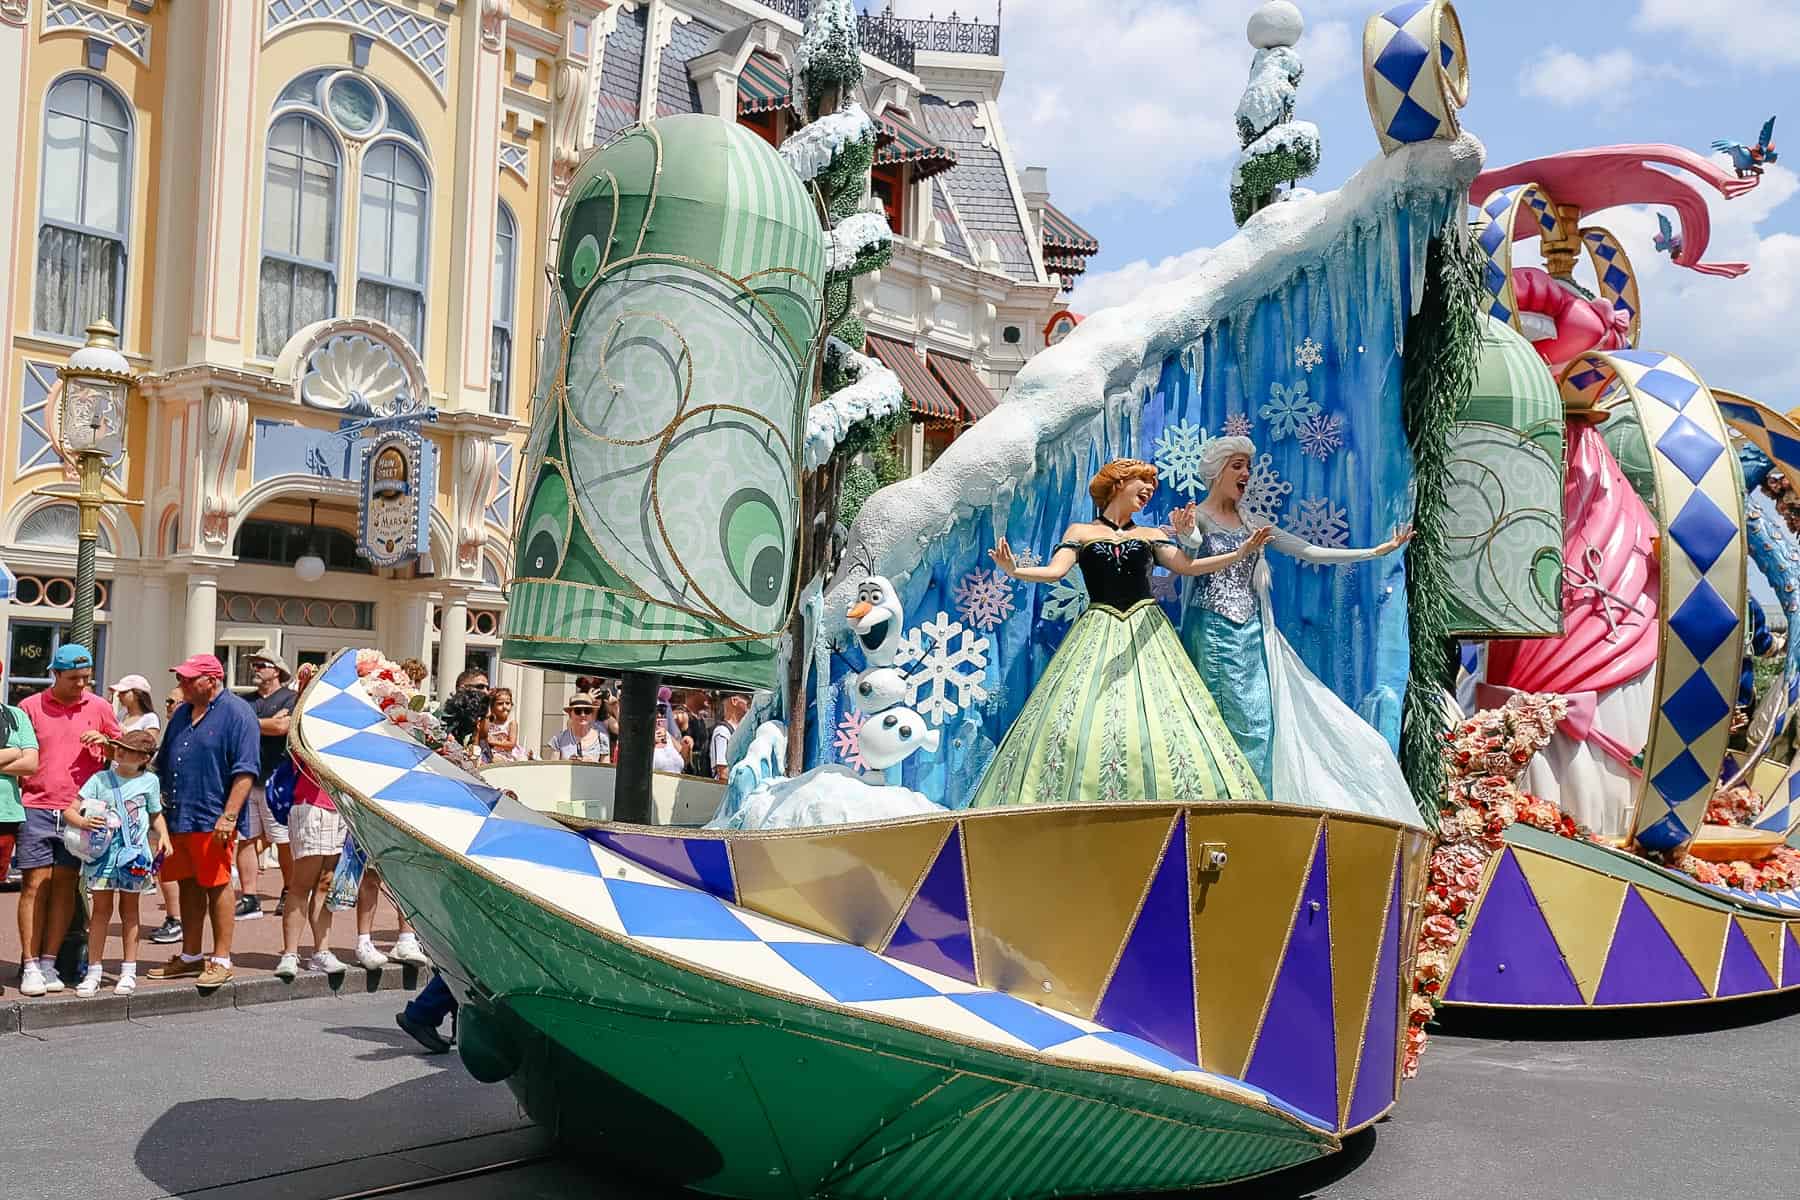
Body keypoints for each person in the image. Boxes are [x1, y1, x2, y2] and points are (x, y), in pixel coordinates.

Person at [973, 460, 1266, 808]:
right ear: (1118, 483)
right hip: (1097, 629)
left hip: (1148, 634)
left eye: (1152, 486)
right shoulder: (1080, 532)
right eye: (1142, 482)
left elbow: (1186, 567)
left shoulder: (1150, 536)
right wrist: (1016, 570)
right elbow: (1055, 572)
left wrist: (1240, 553)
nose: (1149, 490)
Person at [1171, 436, 1415, 820]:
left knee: (1261, 723)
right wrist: (1187, 534)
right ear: (1217, 471)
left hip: (1252, 635)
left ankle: (1256, 806)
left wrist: (1374, 552)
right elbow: (1191, 548)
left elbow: (1309, 551)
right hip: (1213, 630)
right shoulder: (1199, 517)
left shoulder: (1254, 524)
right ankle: (1224, 806)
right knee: (1221, 720)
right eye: (1237, 466)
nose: (1246, 474)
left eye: (1247, 467)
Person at [147, 654, 261, 989]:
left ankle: (222, 959)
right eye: (180, 677)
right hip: (179, 813)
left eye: (188, 678)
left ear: (211, 680)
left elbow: (246, 771)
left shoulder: (238, 713)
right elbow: (163, 761)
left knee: (217, 884)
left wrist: (229, 816)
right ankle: (191, 956)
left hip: (212, 816)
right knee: (187, 884)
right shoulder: (182, 712)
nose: (181, 684)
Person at [17, 643, 118, 997]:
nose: (81, 685)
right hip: (36, 805)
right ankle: (29, 963)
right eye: (74, 678)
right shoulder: (29, 707)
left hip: (81, 809)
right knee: (34, 884)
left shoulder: (100, 707)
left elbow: (126, 755)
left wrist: (106, 743)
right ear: (55, 674)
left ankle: (48, 961)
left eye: (86, 678)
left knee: (64, 885)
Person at [67, 729, 170, 997]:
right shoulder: (100, 779)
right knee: (100, 912)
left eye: (127, 749)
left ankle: (128, 970)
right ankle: (94, 972)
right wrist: (82, 822)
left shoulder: (150, 781)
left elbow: (155, 814)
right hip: (102, 857)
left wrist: (164, 836)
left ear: (144, 757)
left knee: (130, 912)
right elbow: (71, 808)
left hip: (134, 856)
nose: (119, 751)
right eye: (117, 746)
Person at [274, 755, 348, 980]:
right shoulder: (304, 719)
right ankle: (290, 953)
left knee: (325, 883)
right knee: (301, 884)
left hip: (339, 804)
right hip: (309, 804)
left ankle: (321, 951)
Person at [239, 652, 298, 921]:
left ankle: (290, 889)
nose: (256, 669)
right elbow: (239, 726)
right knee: (247, 838)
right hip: (247, 775)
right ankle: (249, 896)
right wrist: (267, 723)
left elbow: (283, 727)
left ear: (277, 671)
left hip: (277, 777)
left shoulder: (290, 698)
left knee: (282, 840)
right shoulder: (245, 701)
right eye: (254, 665)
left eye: (261, 665)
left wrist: (257, 724)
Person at [0, 660, 41, 993]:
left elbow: (31, 763)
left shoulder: (15, 716)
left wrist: (18, 754)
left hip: (5, 814)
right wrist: (8, 753)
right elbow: (19, 758)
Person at [547, 693, 608, 761]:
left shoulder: (602, 739)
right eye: (578, 711)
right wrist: (569, 763)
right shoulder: (558, 740)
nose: (583, 715)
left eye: (587, 711)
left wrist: (591, 764)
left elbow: (606, 769)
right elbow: (554, 769)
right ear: (570, 714)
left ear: (591, 714)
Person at [480, 687, 530, 763]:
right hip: (493, 753)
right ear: (492, 707)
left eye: (507, 703)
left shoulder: (511, 723)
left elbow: (512, 744)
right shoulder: (489, 722)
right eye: (500, 704)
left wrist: (493, 742)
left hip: (509, 754)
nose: (504, 706)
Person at [711, 694, 747, 784]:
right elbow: (723, 774)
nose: (750, 702)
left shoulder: (742, 730)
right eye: (747, 697)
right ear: (734, 701)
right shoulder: (722, 732)